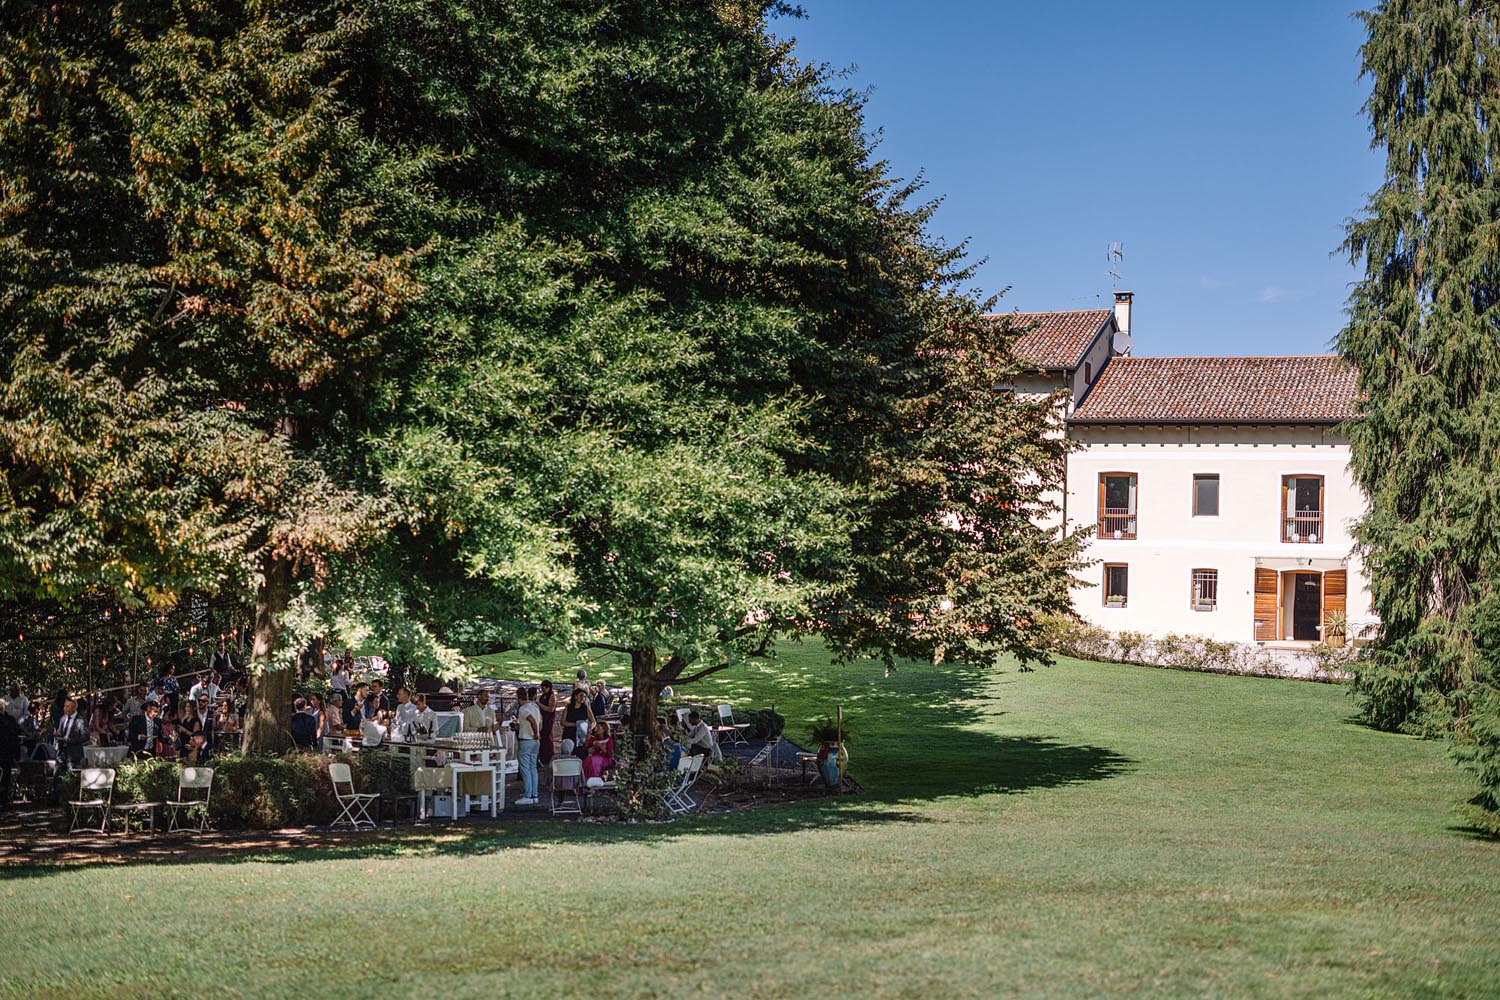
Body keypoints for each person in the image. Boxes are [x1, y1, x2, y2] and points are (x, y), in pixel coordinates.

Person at [514, 686, 542, 805]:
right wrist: (537, 733)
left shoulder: (523, 709)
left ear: (518, 698)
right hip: (535, 741)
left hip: (526, 739)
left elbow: (532, 721)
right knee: (532, 767)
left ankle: (528, 795)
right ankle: (534, 794)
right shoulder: (535, 706)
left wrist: (535, 733)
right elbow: (539, 722)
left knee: (525, 768)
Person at [51, 697, 87, 768]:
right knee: (57, 774)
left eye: (67, 706)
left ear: (74, 708)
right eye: (64, 706)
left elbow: (85, 736)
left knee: (71, 775)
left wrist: (71, 740)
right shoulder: (63, 719)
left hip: (74, 754)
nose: (64, 708)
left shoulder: (80, 720)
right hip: (61, 753)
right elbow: (60, 732)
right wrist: (58, 734)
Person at [561, 688, 595, 755]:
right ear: (575, 696)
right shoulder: (568, 707)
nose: (583, 698)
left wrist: (590, 728)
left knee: (581, 753)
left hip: (581, 737)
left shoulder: (586, 708)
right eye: (581, 695)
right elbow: (562, 722)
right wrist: (577, 724)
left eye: (584, 696)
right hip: (569, 734)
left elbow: (593, 721)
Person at [0, 701, 19, 809]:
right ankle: (3, 799)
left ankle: (3, 799)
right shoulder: (11, 720)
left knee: (6, 775)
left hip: (6, 752)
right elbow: (15, 738)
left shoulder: (10, 720)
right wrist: (16, 754)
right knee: (6, 776)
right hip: (7, 753)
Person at [536, 681, 557, 768]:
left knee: (547, 738)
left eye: (543, 688)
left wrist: (539, 705)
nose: (542, 689)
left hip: (548, 719)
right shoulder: (543, 695)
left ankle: (549, 757)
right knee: (542, 738)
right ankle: (542, 757)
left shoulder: (552, 696)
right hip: (542, 718)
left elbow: (551, 709)